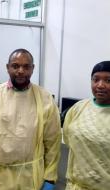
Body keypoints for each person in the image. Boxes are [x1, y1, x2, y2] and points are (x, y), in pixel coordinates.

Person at [0, 48, 61, 190]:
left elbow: (53, 142)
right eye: (15, 66)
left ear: (33, 69)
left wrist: (50, 178)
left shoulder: (45, 99)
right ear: (7, 68)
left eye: (26, 66)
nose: (20, 71)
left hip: (33, 178)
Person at [63, 61, 110, 190]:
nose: (100, 85)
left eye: (108, 80)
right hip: (74, 185)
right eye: (96, 80)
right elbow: (68, 139)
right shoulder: (79, 108)